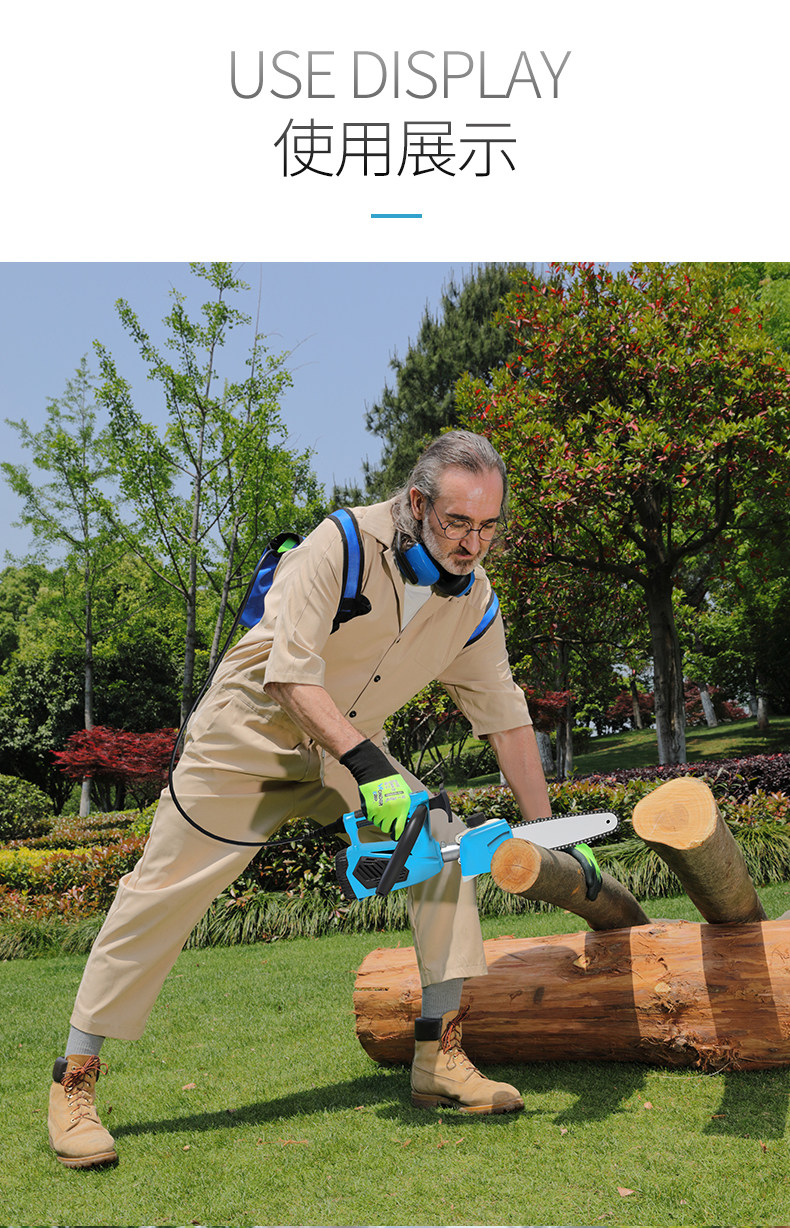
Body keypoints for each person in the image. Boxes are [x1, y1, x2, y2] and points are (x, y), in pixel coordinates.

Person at [47, 430, 552, 1168]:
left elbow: (505, 716)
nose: (472, 544)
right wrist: (372, 769)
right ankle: (74, 1079)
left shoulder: (474, 602)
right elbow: (289, 676)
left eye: (487, 528)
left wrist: (547, 831)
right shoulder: (338, 545)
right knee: (160, 892)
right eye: (457, 523)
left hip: (349, 746)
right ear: (417, 504)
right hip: (247, 735)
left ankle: (438, 1056)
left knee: (440, 844)